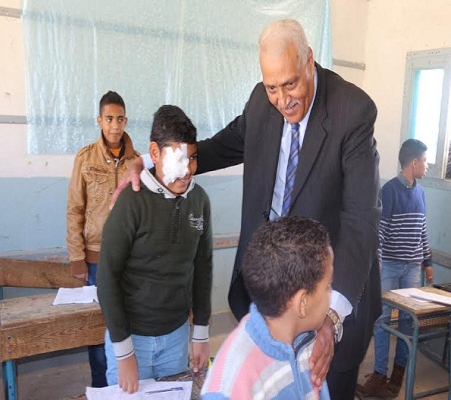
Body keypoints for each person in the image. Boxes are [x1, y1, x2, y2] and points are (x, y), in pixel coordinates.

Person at [117, 19, 381, 399]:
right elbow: (219, 147)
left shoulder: (352, 111)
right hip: (275, 291)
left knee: (323, 388)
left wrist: (331, 316)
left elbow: (360, 221)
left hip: (328, 294)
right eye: (272, 87)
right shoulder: (261, 102)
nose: (282, 99)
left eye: (290, 84)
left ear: (309, 60)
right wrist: (152, 161)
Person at [97, 105, 213, 394]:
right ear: (154, 152)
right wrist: (124, 353)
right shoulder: (131, 201)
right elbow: (107, 278)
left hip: (176, 337)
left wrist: (200, 333)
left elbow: (203, 269)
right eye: (178, 159)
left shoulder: (199, 201)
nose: (187, 170)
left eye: (192, 158)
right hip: (132, 339)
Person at [201, 216, 333, 400]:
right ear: (302, 303)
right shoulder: (230, 386)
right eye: (328, 286)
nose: (331, 293)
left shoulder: (308, 340)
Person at [66, 90, 138, 387]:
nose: (114, 126)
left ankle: (126, 384)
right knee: (98, 327)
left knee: (128, 321)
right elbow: (75, 209)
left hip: (130, 260)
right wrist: (77, 257)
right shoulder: (85, 159)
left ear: (125, 121)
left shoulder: (138, 162)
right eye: (109, 119)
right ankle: (100, 388)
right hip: (95, 260)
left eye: (119, 119)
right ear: (99, 120)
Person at [356, 139, 433, 398]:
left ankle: (398, 374)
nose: (427, 165)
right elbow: (380, 229)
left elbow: (422, 230)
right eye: (425, 160)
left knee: (407, 323)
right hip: (389, 265)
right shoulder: (389, 191)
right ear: (414, 162)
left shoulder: (421, 193)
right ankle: (379, 375)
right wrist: (377, 260)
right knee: (382, 320)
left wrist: (428, 261)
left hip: (412, 268)